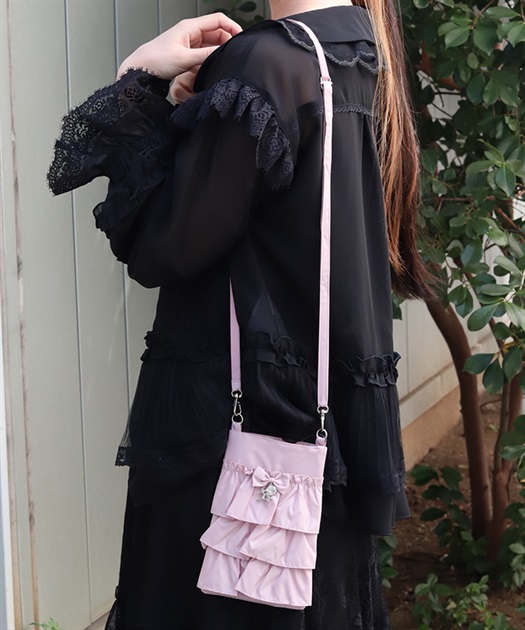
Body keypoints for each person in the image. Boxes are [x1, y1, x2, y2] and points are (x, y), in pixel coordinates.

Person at [48, 0, 431, 628]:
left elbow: (163, 244)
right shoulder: (358, 53)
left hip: (231, 445)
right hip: (314, 441)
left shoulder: (266, 62)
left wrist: (137, 78)